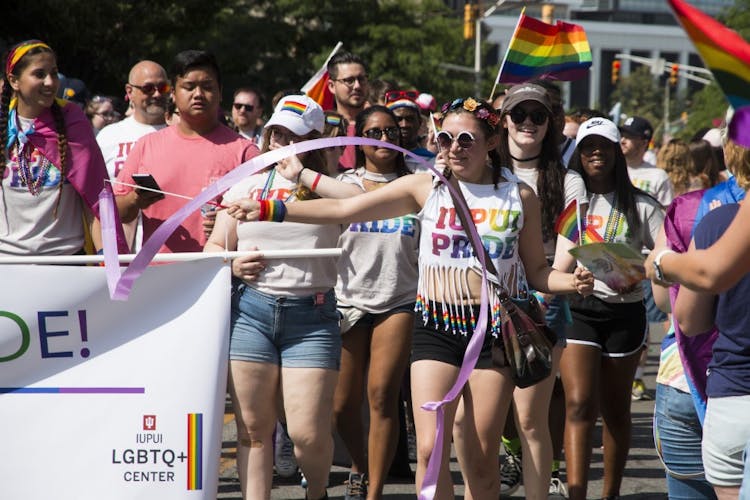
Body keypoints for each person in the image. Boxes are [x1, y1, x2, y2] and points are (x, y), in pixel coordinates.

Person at [223, 97, 594, 499]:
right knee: (433, 449)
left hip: (491, 333)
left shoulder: (518, 196)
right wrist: (268, 208)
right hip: (435, 326)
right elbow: (347, 206)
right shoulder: (426, 185)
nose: (454, 147)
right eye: (447, 138)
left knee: (483, 456)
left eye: (466, 139)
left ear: (491, 141)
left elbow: (538, 271)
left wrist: (572, 283)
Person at [204, 94, 344, 500]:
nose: (281, 142)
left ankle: (316, 491)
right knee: (252, 430)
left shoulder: (330, 188)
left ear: (314, 141)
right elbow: (215, 246)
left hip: (312, 317)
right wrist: (230, 266)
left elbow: (355, 207)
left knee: (306, 436)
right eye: (276, 133)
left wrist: (303, 175)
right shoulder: (247, 184)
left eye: (293, 136)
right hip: (252, 312)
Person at [559, 117, 664, 500]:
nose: (596, 153)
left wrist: (641, 266)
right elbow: (558, 255)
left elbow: (667, 254)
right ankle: (576, 494)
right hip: (581, 309)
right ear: (579, 155)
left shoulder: (642, 205)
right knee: (579, 403)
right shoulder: (571, 203)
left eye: (604, 146)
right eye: (588, 147)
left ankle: (610, 495)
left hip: (626, 311)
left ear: (617, 152)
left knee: (616, 410)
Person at [494, 82, 587, 498]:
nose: (528, 123)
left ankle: (538, 486)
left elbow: (568, 249)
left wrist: (545, 288)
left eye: (538, 116)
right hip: (476, 305)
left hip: (539, 303)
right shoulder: (485, 172)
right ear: (504, 122)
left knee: (530, 417)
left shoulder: (569, 182)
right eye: (519, 115)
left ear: (551, 124)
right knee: (480, 418)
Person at [114, 50, 257, 253]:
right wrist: (135, 200)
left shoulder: (246, 152)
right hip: (156, 274)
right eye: (189, 87)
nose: (198, 94)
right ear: (173, 92)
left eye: (207, 87)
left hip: (219, 275)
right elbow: (116, 213)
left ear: (220, 91)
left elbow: (263, 218)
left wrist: (229, 222)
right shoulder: (146, 146)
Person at [0, 39, 127, 256]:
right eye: (39, 74)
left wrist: (107, 260)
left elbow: (95, 201)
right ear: (14, 81)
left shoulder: (73, 122)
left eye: (53, 73)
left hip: (66, 264)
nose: (50, 82)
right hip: (7, 265)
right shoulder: (4, 125)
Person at [619, 115, 671, 400]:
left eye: (629, 135)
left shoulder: (657, 176)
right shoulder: (614, 171)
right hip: (615, 256)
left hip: (644, 258)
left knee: (642, 320)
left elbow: (664, 218)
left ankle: (637, 376)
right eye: (621, 134)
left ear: (644, 141)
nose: (623, 140)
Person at [96, 60, 169, 251]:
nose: (157, 94)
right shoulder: (108, 136)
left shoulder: (180, 134)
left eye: (163, 87)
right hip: (118, 246)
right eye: (148, 88)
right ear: (129, 91)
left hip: (167, 246)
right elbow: (95, 198)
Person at [327, 51, 369, 169]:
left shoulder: (382, 127)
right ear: (331, 86)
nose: (357, 86)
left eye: (362, 79)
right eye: (349, 80)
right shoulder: (321, 130)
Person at [384, 90, 435, 172]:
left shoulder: (433, 163)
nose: (404, 125)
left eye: (410, 119)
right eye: (398, 119)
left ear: (420, 122)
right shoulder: (379, 161)